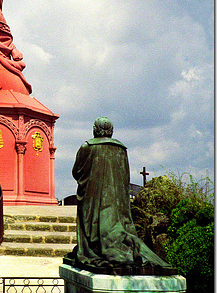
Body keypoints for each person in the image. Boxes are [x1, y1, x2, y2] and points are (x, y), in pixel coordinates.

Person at [69, 117, 176, 274]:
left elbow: (76, 171)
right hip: (116, 200)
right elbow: (125, 175)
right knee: (118, 224)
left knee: (91, 222)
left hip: (91, 196)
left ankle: (93, 247)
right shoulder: (121, 149)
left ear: (95, 129)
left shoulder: (87, 147)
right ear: (111, 131)